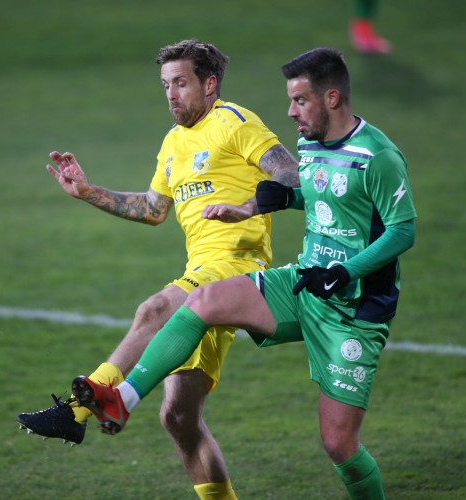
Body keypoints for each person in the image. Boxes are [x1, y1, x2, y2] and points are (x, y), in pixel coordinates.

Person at [72, 47, 416, 499]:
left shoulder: (378, 155)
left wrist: (345, 271)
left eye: (299, 100)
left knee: (339, 445)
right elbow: (318, 195)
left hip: (354, 308)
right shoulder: (311, 143)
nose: (290, 111)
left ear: (331, 98)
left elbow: (402, 231)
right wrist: (262, 204)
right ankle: (122, 399)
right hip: (305, 284)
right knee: (202, 302)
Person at [17, 39, 299, 500]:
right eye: (166, 85)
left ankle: (77, 412)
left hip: (235, 268)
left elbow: (289, 172)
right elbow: (152, 209)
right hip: (202, 272)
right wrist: (87, 191)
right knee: (179, 418)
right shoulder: (173, 142)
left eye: (181, 83)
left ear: (210, 84)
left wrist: (249, 206)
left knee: (155, 309)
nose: (171, 94)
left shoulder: (234, 121)